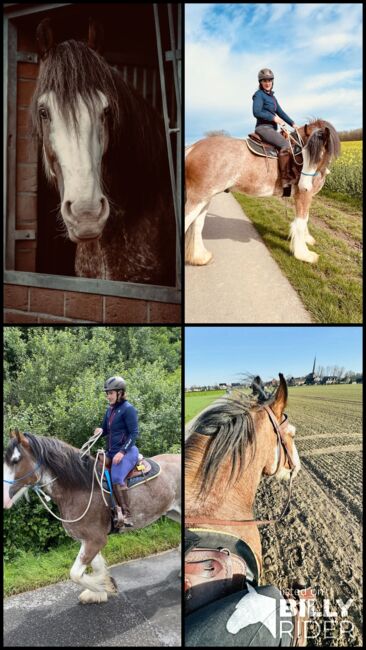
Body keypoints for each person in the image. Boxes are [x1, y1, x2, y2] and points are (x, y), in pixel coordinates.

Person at [94, 376, 139, 528]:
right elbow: (106, 429)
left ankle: (127, 515)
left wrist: (122, 452)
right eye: (107, 393)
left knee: (117, 478)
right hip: (111, 452)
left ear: (120, 393)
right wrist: (100, 430)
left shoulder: (128, 409)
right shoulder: (110, 410)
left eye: (111, 393)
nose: (108, 396)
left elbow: (134, 433)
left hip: (128, 451)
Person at [252, 68, 300, 188]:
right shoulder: (259, 95)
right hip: (263, 128)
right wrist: (273, 118)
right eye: (264, 81)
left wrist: (293, 124)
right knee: (286, 145)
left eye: (269, 80)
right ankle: (285, 180)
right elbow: (256, 112)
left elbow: (281, 112)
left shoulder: (272, 98)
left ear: (272, 82)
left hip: (272, 129)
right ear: (260, 83)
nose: (267, 83)